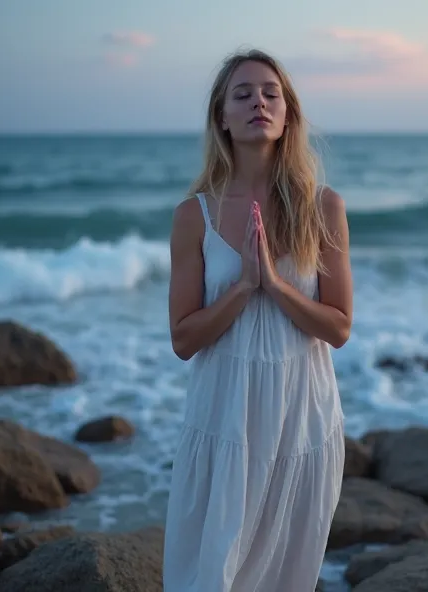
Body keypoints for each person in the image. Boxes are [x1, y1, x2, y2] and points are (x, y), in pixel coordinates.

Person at [163, 48, 353, 592]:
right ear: (221, 117)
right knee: (206, 577)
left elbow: (338, 328)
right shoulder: (192, 215)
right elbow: (182, 338)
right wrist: (245, 286)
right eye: (242, 94)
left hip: (302, 421)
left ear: (288, 112)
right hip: (224, 422)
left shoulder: (323, 207)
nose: (258, 103)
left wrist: (276, 283)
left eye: (271, 93)